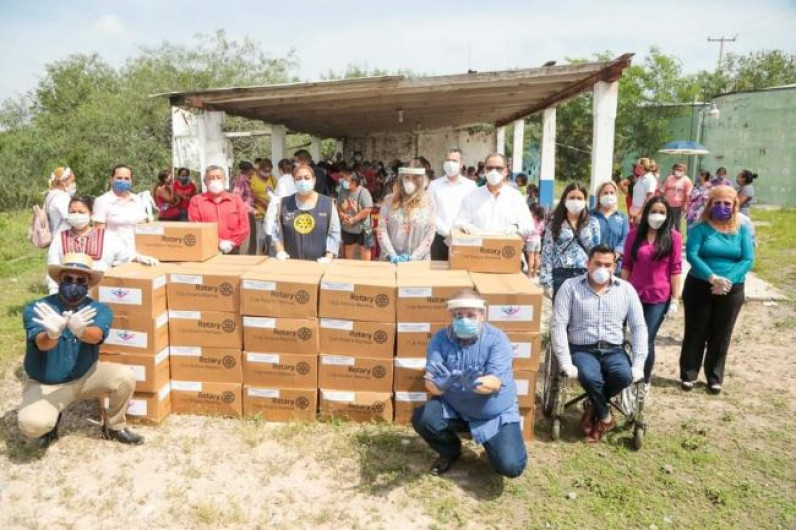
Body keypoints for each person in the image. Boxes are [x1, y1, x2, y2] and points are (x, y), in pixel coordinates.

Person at [18, 253, 143, 448]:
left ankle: (114, 427)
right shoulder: (38, 308)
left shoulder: (99, 309)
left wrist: (81, 330)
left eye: (80, 280)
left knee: (125, 376)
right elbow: (42, 343)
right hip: (47, 384)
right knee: (32, 425)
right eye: (68, 279)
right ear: (59, 280)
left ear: (88, 284)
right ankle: (50, 425)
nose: (73, 284)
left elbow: (97, 335)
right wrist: (52, 334)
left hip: (85, 376)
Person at [412, 290, 527, 477]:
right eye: (458, 315)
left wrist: (472, 383)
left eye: (470, 315)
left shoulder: (497, 340)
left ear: (482, 315)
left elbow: (495, 383)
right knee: (423, 418)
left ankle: (493, 444)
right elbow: (430, 384)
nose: (463, 320)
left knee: (511, 466)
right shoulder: (440, 339)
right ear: (451, 316)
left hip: (493, 414)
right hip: (454, 406)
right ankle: (451, 451)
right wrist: (441, 385)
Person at [551, 245, 648, 442]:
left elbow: (638, 327)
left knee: (624, 376)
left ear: (614, 266)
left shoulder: (626, 290)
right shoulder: (570, 287)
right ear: (588, 264)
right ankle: (605, 417)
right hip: (582, 348)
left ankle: (594, 407)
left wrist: (638, 363)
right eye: (597, 264)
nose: (602, 268)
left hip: (613, 349)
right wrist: (564, 361)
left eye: (607, 264)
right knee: (589, 376)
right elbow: (558, 325)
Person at [679, 186, 754, 394]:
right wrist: (712, 277)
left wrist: (727, 280)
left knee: (722, 333)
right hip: (700, 285)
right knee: (696, 330)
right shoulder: (699, 228)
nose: (722, 207)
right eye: (718, 203)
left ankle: (714, 376)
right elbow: (693, 255)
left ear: (734, 206)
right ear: (710, 205)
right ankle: (689, 374)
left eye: (727, 203)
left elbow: (747, 258)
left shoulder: (743, 229)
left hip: (731, 287)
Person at [622, 196, 682, 392]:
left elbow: (675, 270)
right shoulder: (633, 236)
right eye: (654, 211)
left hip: (658, 296)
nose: (657, 216)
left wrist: (675, 299)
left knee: (645, 338)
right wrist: (621, 290)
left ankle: (643, 379)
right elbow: (627, 266)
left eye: (662, 212)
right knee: (630, 336)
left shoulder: (673, 238)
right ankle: (627, 373)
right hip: (634, 293)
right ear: (646, 212)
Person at [47, 195, 159, 293]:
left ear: (91, 214)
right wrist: (53, 291)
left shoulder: (107, 237)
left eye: (81, 212)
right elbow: (53, 264)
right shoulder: (60, 237)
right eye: (73, 212)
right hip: (67, 293)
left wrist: (140, 258)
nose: (76, 215)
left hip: (100, 292)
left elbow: (125, 254)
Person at [539, 183, 601, 297]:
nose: (575, 201)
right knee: (561, 313)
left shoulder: (593, 223)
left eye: (579, 198)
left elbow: (596, 251)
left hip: (584, 273)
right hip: (560, 273)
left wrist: (597, 274)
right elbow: (547, 252)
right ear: (564, 200)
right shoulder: (554, 222)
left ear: (585, 201)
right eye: (572, 198)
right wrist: (546, 281)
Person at [453, 153, 534, 238]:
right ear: (485, 170)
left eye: (499, 168)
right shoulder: (472, 196)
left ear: (505, 171)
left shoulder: (515, 197)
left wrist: (516, 227)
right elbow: (457, 222)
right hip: (478, 249)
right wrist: (464, 226)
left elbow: (529, 225)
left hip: (506, 248)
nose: (493, 172)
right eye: (489, 168)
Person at [272, 163, 341, 263]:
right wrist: (280, 252)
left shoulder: (327, 204)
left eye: (307, 178)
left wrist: (329, 256)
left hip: (320, 263)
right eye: (298, 178)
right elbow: (275, 232)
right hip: (290, 262)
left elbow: (334, 233)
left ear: (314, 180)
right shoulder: (284, 204)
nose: (303, 181)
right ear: (294, 182)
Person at [377, 161, 437, 263]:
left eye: (414, 178)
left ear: (421, 180)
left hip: (418, 264)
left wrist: (414, 258)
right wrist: (392, 255)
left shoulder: (429, 203)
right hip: (390, 262)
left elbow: (430, 233)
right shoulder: (388, 201)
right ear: (401, 179)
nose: (410, 181)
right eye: (407, 177)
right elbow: (381, 229)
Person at [188, 165, 250, 254]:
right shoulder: (196, 201)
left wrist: (232, 243)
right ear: (205, 182)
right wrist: (219, 242)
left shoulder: (236, 200)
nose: (215, 181)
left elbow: (244, 226)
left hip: (234, 249)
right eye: (211, 178)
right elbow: (196, 226)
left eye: (219, 177)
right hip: (207, 249)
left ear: (225, 180)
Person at [427, 148, 476, 260]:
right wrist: (445, 231)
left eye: (454, 161)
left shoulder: (471, 186)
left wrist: (462, 228)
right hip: (439, 237)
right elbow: (430, 211)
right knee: (439, 273)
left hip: (464, 237)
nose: (450, 163)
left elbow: (474, 211)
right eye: (448, 160)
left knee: (461, 273)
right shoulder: (434, 185)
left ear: (461, 164)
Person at [91, 164, 148, 250]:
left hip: (136, 251)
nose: (123, 181)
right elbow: (99, 232)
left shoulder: (137, 200)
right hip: (113, 253)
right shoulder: (102, 201)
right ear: (111, 179)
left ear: (131, 181)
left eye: (126, 178)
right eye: (119, 178)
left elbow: (143, 226)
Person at [591, 181, 629, 272]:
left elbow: (625, 239)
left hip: (615, 267)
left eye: (612, 193)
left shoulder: (622, 217)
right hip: (594, 264)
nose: (609, 195)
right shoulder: (590, 216)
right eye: (605, 193)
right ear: (599, 196)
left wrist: (614, 255)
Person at [337, 168, 374, 261]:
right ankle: (349, 267)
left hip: (363, 228)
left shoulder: (363, 192)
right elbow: (338, 206)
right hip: (347, 227)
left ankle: (365, 268)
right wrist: (342, 215)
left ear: (354, 183)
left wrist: (354, 219)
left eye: (346, 180)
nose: (344, 182)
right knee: (348, 247)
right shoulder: (343, 191)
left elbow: (368, 209)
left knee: (364, 249)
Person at [251, 158, 277, 255]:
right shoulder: (253, 178)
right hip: (258, 213)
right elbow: (250, 195)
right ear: (260, 169)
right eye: (265, 170)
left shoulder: (272, 178)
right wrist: (261, 201)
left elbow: (277, 191)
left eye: (269, 171)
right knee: (259, 238)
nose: (267, 173)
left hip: (270, 213)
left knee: (269, 236)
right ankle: (258, 256)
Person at [231, 161, 257, 255]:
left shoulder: (246, 180)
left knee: (252, 238)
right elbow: (237, 198)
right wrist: (252, 210)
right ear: (249, 170)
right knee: (246, 240)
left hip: (248, 212)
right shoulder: (240, 180)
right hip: (244, 213)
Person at [44, 166, 77, 234]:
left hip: (55, 234)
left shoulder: (51, 195)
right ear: (63, 181)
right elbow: (71, 219)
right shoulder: (62, 198)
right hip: (62, 238)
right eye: (72, 181)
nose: (73, 184)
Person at [662, 162, 693, 233]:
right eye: (677, 169)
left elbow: (688, 194)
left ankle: (678, 240)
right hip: (667, 205)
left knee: (677, 224)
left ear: (684, 171)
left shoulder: (687, 180)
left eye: (680, 170)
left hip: (678, 206)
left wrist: (684, 205)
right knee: (667, 224)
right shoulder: (669, 178)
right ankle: (667, 240)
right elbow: (663, 190)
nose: (678, 171)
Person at [630, 158, 658, 223]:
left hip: (642, 212)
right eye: (637, 166)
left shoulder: (650, 179)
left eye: (639, 167)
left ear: (644, 167)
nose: (637, 168)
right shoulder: (640, 178)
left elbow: (649, 198)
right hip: (634, 210)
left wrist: (640, 214)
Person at [525, 204, 545, 278]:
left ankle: (529, 274)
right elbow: (542, 231)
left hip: (531, 240)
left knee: (531, 258)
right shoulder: (541, 221)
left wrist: (525, 239)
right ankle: (534, 273)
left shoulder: (531, 220)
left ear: (533, 212)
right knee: (537, 257)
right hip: (538, 240)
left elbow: (528, 231)